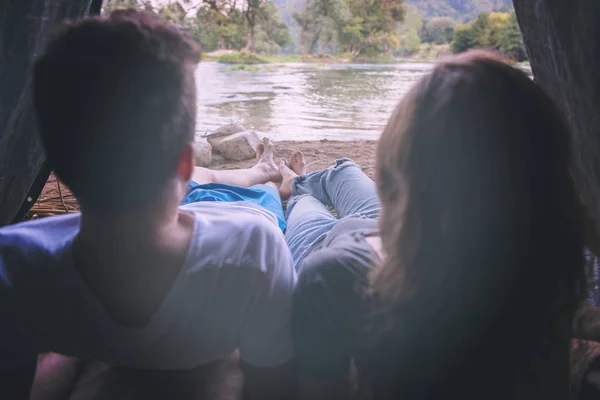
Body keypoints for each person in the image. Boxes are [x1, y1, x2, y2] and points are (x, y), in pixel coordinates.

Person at [0, 10, 296, 400]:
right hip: (243, 209)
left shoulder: (15, 266)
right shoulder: (254, 249)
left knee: (206, 184)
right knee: (263, 193)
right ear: (187, 160)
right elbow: (270, 382)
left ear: (56, 167)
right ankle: (283, 180)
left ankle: (262, 171)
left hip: (180, 194)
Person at [282, 50, 586, 400]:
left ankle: (294, 184)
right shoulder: (548, 260)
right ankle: (302, 180)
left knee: (307, 206)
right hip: (408, 226)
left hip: (345, 240)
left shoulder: (335, 277)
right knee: (345, 170)